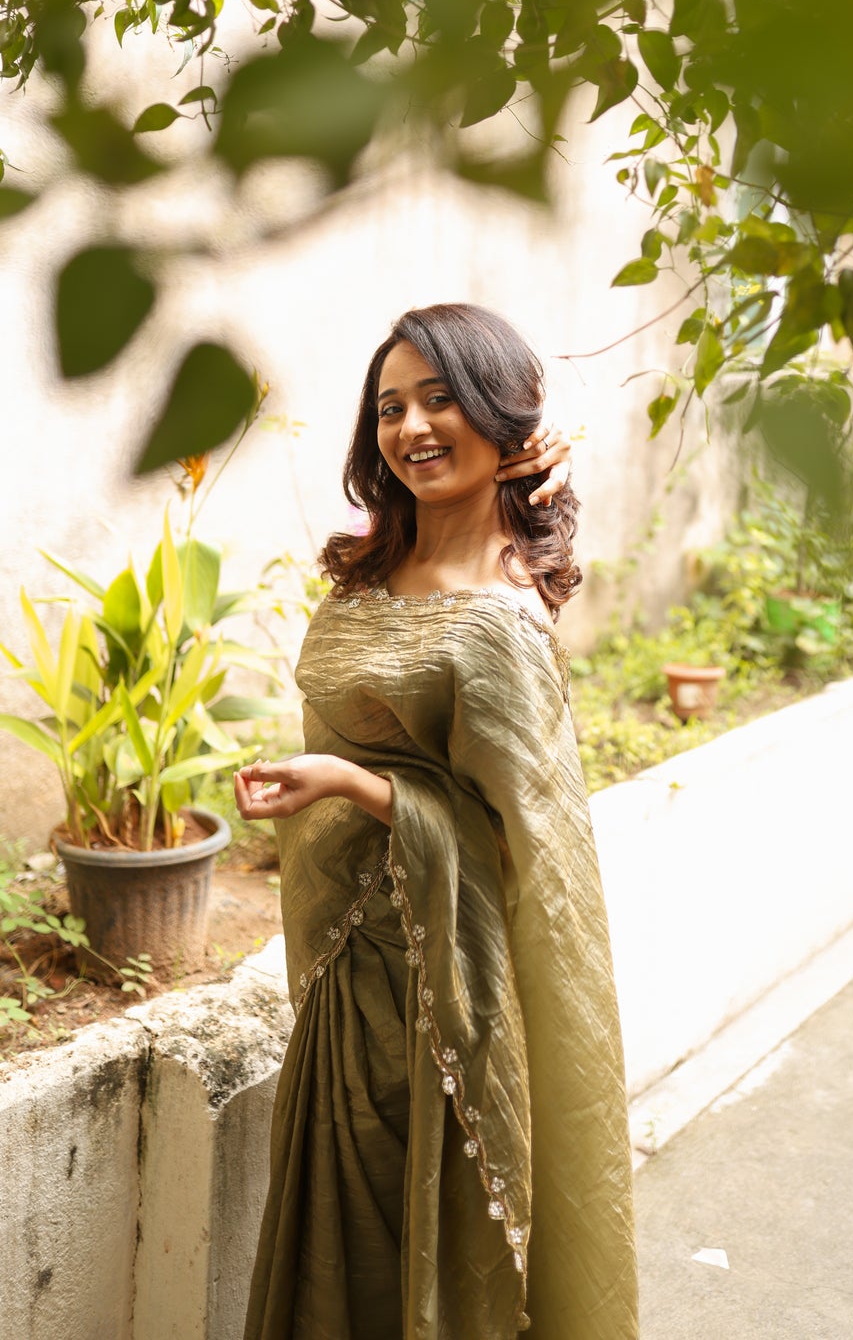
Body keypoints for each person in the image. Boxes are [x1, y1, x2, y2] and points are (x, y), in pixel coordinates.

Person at [235, 303, 638, 1340]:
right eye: (390, 407)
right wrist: (322, 783)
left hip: (445, 994)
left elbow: (522, 848)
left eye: (442, 399)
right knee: (340, 1257)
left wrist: (355, 785)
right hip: (350, 983)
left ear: (502, 415)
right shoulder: (374, 568)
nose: (411, 427)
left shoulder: (504, 615)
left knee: (426, 1265)